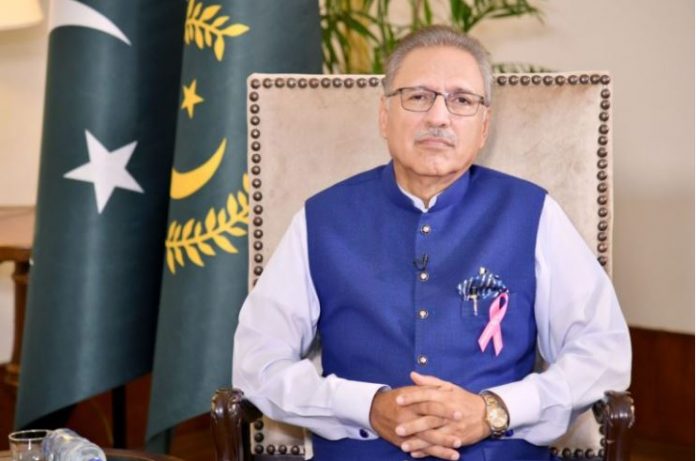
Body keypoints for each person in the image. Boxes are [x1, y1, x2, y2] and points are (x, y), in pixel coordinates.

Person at [232, 25, 631, 461]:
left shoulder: (534, 213)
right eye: (418, 96)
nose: (439, 117)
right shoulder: (320, 218)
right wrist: (365, 407)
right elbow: (257, 361)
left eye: (462, 100)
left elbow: (602, 352)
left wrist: (495, 410)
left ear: (484, 126)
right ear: (384, 116)